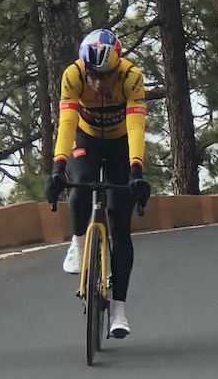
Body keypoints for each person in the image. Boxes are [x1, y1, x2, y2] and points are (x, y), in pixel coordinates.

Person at [44, 28, 151, 339]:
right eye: (94, 76)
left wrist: (136, 170)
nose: (100, 83)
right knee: (79, 187)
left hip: (121, 144)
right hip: (86, 138)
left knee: (121, 224)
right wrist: (58, 165)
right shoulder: (72, 75)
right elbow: (66, 122)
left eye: (106, 76)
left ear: (116, 68)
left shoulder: (131, 76)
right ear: (85, 69)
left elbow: (136, 125)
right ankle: (78, 244)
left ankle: (119, 309)